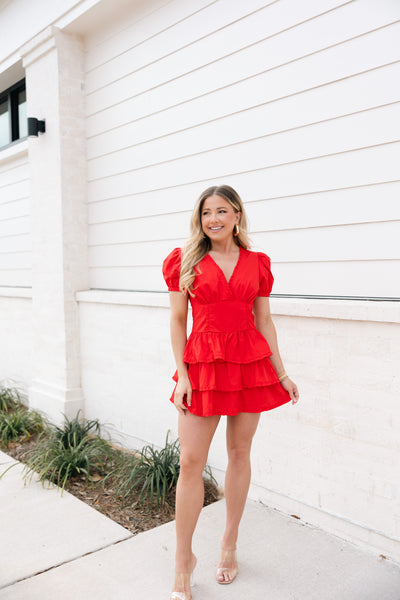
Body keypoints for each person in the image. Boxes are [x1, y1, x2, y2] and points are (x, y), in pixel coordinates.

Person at [162, 184, 299, 600]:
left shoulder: (258, 263)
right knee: (190, 462)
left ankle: (229, 543)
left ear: (237, 215)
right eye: (206, 213)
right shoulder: (184, 259)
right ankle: (183, 558)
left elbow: (265, 321)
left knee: (240, 454)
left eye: (222, 211)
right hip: (201, 367)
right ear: (199, 218)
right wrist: (182, 374)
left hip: (248, 365)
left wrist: (281, 372)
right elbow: (176, 319)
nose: (213, 219)